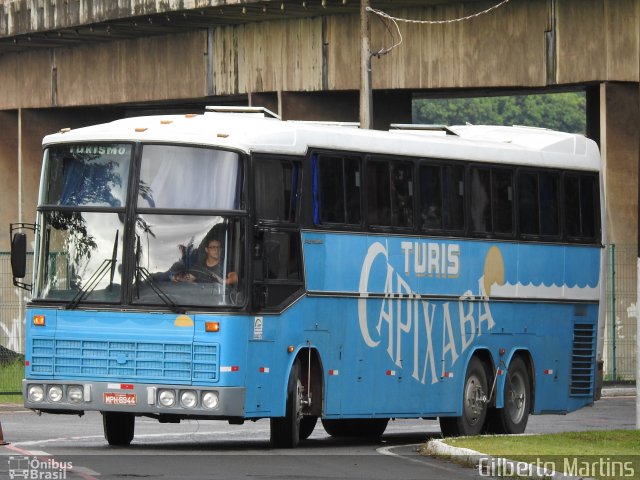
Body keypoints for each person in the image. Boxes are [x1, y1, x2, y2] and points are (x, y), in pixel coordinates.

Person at [168, 238, 238, 286]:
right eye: (213, 247)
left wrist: (222, 281)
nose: (216, 250)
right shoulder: (199, 264)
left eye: (218, 247)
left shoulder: (225, 264)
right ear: (207, 250)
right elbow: (190, 278)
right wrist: (179, 278)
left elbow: (234, 278)